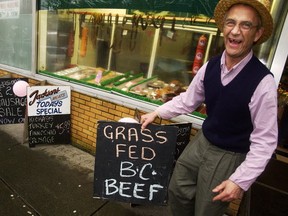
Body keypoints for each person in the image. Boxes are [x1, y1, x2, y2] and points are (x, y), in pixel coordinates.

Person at [140, 0, 278, 215]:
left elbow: (265, 141)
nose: (235, 31)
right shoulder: (211, 65)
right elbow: (188, 100)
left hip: (230, 154)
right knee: (177, 191)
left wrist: (239, 181)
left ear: (257, 34)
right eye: (230, 23)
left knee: (207, 209)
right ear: (223, 27)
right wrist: (157, 112)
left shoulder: (263, 82)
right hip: (202, 141)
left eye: (245, 25)